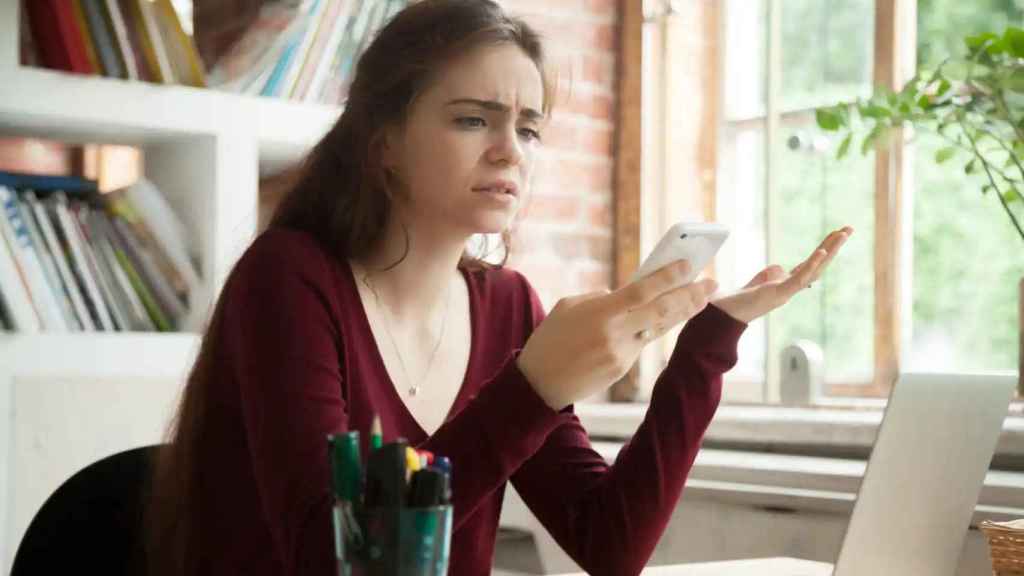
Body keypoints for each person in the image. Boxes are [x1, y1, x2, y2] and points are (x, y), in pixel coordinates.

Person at [144, 1, 852, 575]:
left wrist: (707, 343)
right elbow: (335, 561)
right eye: (473, 119)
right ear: (382, 141)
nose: (510, 149)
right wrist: (533, 390)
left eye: (529, 128)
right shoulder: (289, 279)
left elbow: (609, 541)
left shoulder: (507, 305)